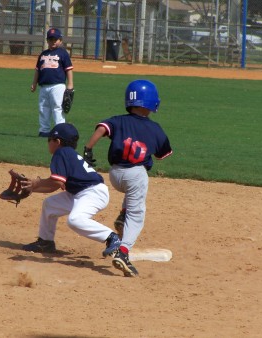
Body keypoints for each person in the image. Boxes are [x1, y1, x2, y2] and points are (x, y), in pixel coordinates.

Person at [83, 79, 173, 277]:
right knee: (137, 213)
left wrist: (88, 149)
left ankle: (124, 213)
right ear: (151, 103)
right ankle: (123, 252)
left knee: (132, 192)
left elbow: (100, 129)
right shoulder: (155, 128)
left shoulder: (117, 120)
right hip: (135, 176)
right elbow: (163, 154)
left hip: (115, 174)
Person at [20, 123, 121, 259]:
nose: (48, 143)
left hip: (93, 193)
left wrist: (36, 183)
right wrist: (33, 187)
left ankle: (111, 237)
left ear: (57, 141)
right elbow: (54, 185)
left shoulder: (60, 153)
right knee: (50, 205)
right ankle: (45, 242)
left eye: (49, 140)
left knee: (75, 220)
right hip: (80, 192)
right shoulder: (68, 153)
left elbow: (57, 182)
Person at [31, 28, 74, 137]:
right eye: (51, 39)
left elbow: (68, 69)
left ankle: (60, 130)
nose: (53, 41)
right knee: (43, 108)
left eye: (56, 39)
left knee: (57, 107)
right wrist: (34, 83)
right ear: (47, 40)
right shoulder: (43, 54)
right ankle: (44, 130)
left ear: (60, 40)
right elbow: (37, 70)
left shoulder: (63, 53)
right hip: (43, 86)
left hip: (57, 86)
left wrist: (70, 84)